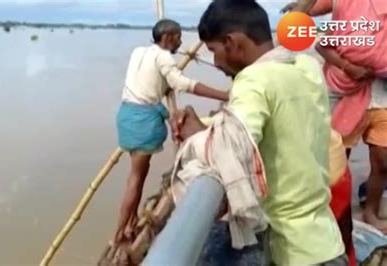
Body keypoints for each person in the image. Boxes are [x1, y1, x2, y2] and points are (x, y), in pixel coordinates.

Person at [171, 0, 347, 264]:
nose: (216, 62)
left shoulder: (254, 80)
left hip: (294, 252)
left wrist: (196, 135)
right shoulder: (306, 67)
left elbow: (230, 147)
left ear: (232, 42)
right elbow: (278, 119)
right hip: (325, 241)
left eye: (213, 50)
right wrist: (212, 125)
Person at [113, 19, 228, 244]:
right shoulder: (163, 57)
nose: (180, 41)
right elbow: (183, 84)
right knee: (136, 179)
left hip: (126, 115)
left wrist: (163, 90)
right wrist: (224, 95)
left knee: (136, 175)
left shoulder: (138, 51)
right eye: (177, 37)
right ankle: (119, 232)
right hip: (143, 120)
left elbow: (146, 85)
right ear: (167, 38)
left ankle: (130, 223)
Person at [284, 0, 387, 234]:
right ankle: (328, 208)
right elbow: (313, 34)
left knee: (383, 160)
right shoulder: (344, 3)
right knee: (336, 155)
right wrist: (347, 65)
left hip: (382, 91)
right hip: (343, 84)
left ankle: (370, 210)